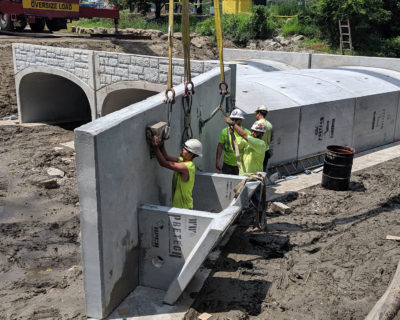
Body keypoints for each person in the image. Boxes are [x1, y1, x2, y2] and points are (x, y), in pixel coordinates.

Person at [152, 137, 202, 209]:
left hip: (184, 208)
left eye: (185, 149)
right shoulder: (182, 160)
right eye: (183, 147)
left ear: (191, 154)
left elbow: (164, 163)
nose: (182, 149)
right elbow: (166, 157)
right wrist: (162, 144)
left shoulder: (187, 167)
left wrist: (155, 148)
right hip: (181, 206)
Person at [216, 108, 250, 175]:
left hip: (241, 165)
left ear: (241, 120)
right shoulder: (225, 131)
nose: (233, 121)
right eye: (232, 119)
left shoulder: (246, 133)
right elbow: (220, 146)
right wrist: (217, 160)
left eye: (236, 119)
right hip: (227, 165)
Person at [255, 105, 273, 172]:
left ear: (259, 113)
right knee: (263, 170)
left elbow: (254, 137)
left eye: (256, 113)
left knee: (257, 170)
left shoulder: (258, 123)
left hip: (258, 151)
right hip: (266, 150)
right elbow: (271, 138)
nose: (256, 115)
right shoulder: (269, 124)